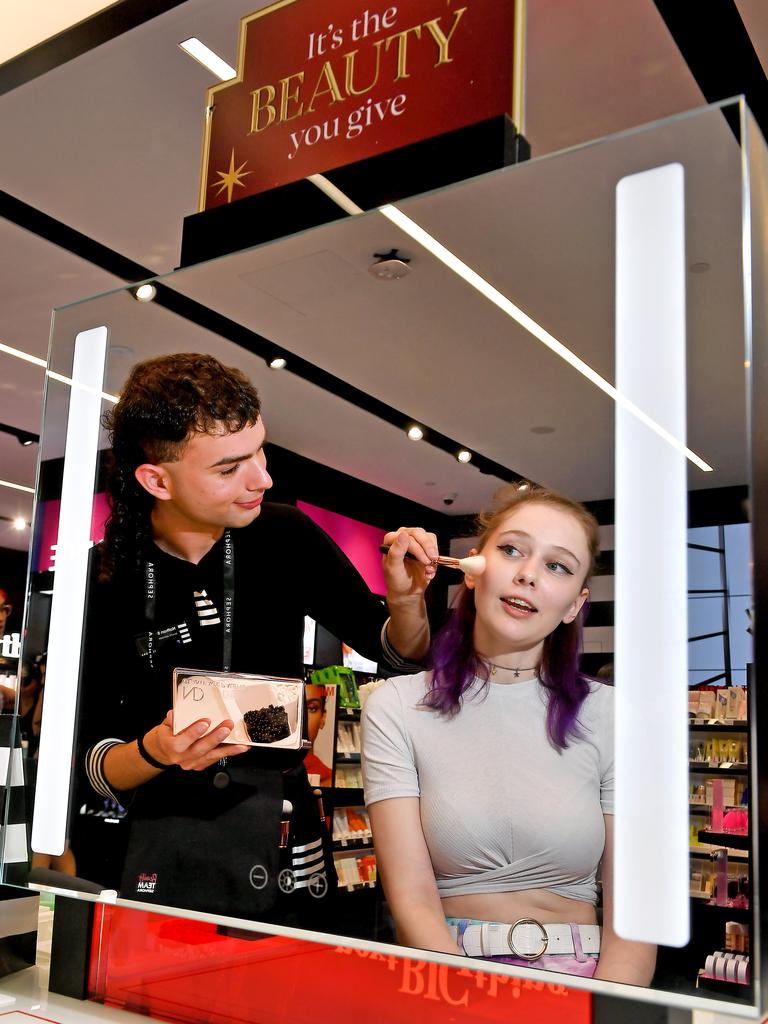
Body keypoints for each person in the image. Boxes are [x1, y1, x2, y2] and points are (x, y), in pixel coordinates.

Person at [75, 352, 437, 916]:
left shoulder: (284, 535)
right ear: (156, 479)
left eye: (260, 451)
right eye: (228, 468)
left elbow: (393, 652)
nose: (262, 479)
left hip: (283, 833)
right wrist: (158, 750)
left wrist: (408, 601)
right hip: (152, 841)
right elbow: (93, 762)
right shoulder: (106, 576)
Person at [362, 482, 656, 985]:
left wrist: (610, 1008)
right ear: (474, 569)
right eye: (512, 550)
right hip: (446, 983)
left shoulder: (614, 715)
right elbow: (411, 902)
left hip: (584, 985)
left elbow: (635, 921)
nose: (527, 575)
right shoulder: (396, 706)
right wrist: (468, 1002)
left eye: (557, 566)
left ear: (573, 605)